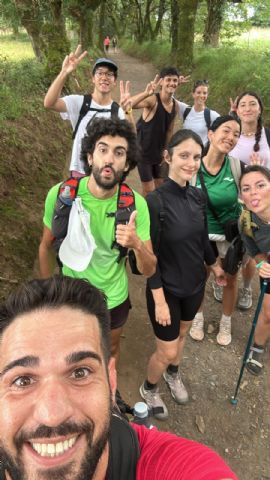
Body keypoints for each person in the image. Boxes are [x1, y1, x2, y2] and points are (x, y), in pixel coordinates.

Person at [0, 275, 239, 479]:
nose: (52, 415)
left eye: (80, 372)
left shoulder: (167, 464)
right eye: (22, 380)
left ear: (111, 380)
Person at [39, 118, 156, 363]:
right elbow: (46, 246)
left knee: (109, 351)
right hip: (69, 294)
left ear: (127, 164)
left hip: (113, 297)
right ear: (90, 156)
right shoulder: (61, 196)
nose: (109, 159)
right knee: (69, 355)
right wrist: (47, 291)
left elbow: (149, 269)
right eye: (103, 150)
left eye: (119, 152)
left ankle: (107, 394)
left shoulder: (137, 206)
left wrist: (136, 244)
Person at [139, 129, 226, 419]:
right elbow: (149, 259)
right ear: (168, 157)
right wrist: (160, 300)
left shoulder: (198, 196)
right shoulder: (155, 202)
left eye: (196, 157)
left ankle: (172, 374)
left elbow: (202, 238)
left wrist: (214, 265)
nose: (191, 162)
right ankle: (149, 389)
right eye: (184, 155)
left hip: (194, 285)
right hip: (165, 290)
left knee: (183, 334)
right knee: (165, 350)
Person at [213, 92, 270, 311]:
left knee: (250, 254)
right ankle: (223, 279)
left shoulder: (267, 135)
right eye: (242, 105)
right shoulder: (232, 136)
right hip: (233, 202)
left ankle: (247, 286)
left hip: (261, 204)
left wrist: (261, 173)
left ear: (259, 109)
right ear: (237, 110)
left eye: (252, 104)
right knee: (227, 248)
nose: (247, 108)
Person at [189, 115, 244, 346]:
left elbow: (251, 196)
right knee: (200, 277)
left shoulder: (237, 167)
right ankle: (198, 317)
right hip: (201, 237)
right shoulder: (192, 166)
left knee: (230, 280)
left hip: (229, 237)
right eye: (226, 131)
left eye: (236, 134)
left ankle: (226, 321)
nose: (231, 137)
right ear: (210, 134)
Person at [44, 45, 125, 177]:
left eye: (109, 74)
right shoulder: (80, 102)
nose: (104, 77)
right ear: (93, 78)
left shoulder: (117, 111)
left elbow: (124, 144)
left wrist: (129, 112)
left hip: (104, 174)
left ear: (114, 81)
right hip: (79, 171)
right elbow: (49, 103)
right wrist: (64, 72)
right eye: (100, 73)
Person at [129, 68, 189, 197]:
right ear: (161, 82)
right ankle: (143, 214)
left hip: (158, 154)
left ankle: (153, 213)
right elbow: (129, 105)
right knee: (149, 190)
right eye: (168, 80)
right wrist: (146, 93)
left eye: (175, 80)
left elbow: (169, 131)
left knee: (160, 187)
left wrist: (166, 151)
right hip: (143, 153)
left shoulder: (175, 106)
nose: (172, 83)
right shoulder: (153, 100)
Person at [239, 165, 270, 375]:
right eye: (247, 188)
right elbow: (254, 250)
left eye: (261, 185)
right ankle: (258, 347)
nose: (254, 193)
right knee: (268, 314)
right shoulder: (246, 221)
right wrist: (261, 265)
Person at [177, 79, 220, 145]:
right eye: (199, 92)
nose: (202, 96)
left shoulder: (212, 115)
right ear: (193, 94)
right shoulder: (185, 110)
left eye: (204, 93)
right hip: (185, 152)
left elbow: (225, 126)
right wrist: (176, 84)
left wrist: (233, 113)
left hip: (201, 154)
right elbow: (170, 100)